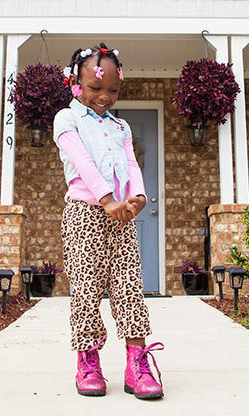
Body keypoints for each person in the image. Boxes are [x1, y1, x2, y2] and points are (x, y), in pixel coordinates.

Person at [52, 43, 164, 399]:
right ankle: (88, 360)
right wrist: (107, 200)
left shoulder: (121, 126)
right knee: (86, 286)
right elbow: (82, 162)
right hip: (85, 213)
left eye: (113, 90)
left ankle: (137, 364)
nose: (104, 96)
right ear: (75, 83)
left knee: (130, 286)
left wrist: (139, 197)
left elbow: (131, 164)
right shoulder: (66, 119)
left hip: (122, 216)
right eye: (95, 88)